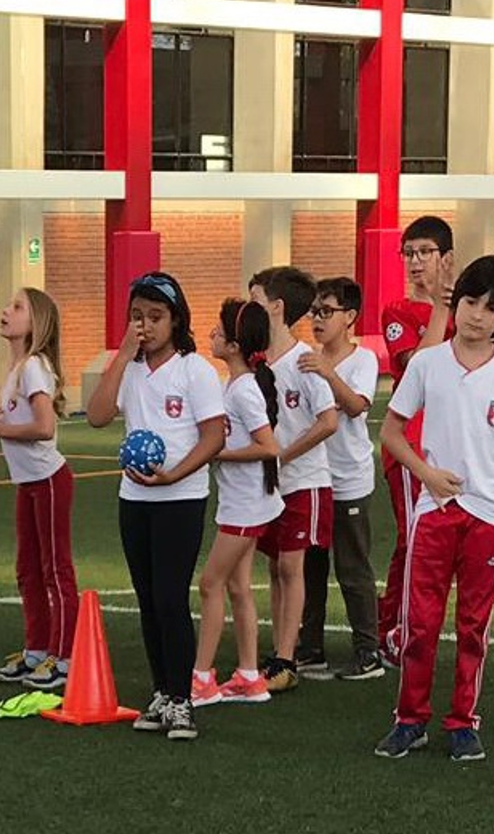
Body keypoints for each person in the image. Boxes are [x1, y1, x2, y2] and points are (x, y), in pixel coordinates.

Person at [374, 256, 494, 764]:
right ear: (456, 302)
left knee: (474, 626)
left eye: (492, 309)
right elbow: (391, 431)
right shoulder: (427, 364)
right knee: (420, 624)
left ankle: (463, 721)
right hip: (434, 510)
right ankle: (409, 720)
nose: (477, 316)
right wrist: (426, 475)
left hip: (490, 516)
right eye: (470, 302)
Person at [85, 271, 226, 742]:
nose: (145, 325)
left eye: (155, 316)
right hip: (135, 499)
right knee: (147, 600)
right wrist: (124, 353)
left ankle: (183, 699)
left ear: (176, 320)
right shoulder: (130, 368)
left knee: (170, 597)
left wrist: (176, 474)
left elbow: (214, 436)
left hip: (180, 499)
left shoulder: (195, 370)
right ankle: (162, 692)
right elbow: (98, 416)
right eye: (137, 316)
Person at [247, 265, 340, 691]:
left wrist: (283, 454)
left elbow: (327, 422)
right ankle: (279, 649)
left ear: (277, 307)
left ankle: (287, 658)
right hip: (273, 482)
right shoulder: (257, 361)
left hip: (305, 479)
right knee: (275, 565)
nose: (248, 310)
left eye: (254, 301)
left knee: (291, 564)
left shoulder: (304, 361)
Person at [293, 276, 386, 681]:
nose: (317, 319)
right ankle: (310, 648)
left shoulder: (361, 360)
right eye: (314, 311)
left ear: (349, 317)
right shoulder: (309, 357)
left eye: (326, 311)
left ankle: (368, 651)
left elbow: (356, 407)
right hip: (314, 480)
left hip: (348, 479)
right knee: (310, 568)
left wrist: (328, 373)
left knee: (352, 568)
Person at [192, 299, 283, 709]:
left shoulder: (244, 389)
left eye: (218, 329)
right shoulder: (235, 384)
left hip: (245, 506)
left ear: (234, 344)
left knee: (209, 584)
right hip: (244, 502)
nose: (211, 334)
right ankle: (249, 676)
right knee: (237, 586)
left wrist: (218, 454)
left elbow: (269, 447)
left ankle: (202, 679)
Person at [0, 286, 75, 692]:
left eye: (17, 306)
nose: (6, 311)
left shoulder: (34, 366)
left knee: (54, 569)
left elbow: (44, 427)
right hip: (28, 483)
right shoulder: (17, 369)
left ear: (35, 322)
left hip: (49, 480)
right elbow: (9, 420)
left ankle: (64, 655)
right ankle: (37, 649)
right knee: (28, 570)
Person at [377, 216, 458, 661]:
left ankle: (390, 623)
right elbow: (420, 366)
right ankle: (399, 633)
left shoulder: (468, 312)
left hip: (453, 444)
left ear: (446, 257)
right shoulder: (398, 313)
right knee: (416, 541)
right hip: (410, 446)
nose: (414, 262)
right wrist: (443, 309)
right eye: (408, 253)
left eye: (424, 252)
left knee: (430, 544)